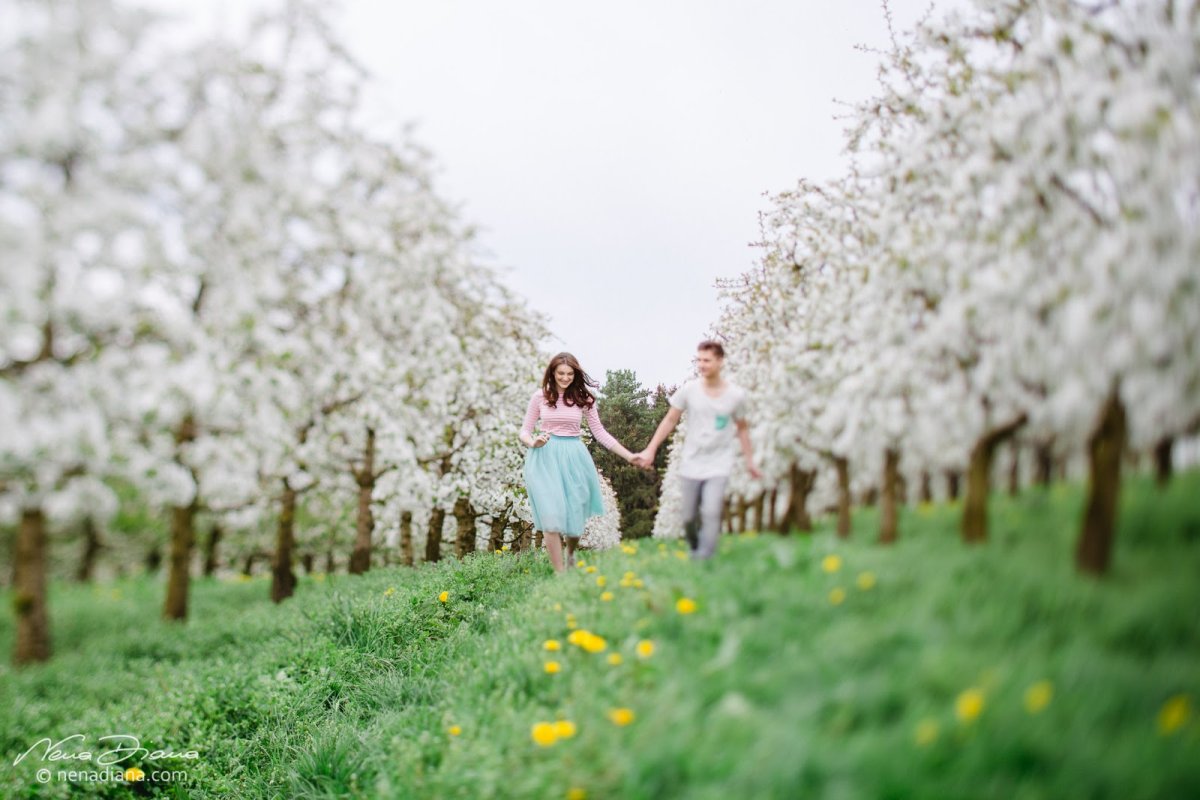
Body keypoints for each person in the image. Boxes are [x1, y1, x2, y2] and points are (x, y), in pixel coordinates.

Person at [633, 340, 761, 559]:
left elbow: (742, 429)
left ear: (720, 361)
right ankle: (695, 547)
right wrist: (651, 449)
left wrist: (750, 461)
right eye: (699, 360)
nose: (701, 364)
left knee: (711, 512)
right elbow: (670, 420)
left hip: (719, 462)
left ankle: (704, 559)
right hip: (692, 461)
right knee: (689, 517)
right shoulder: (689, 391)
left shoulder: (735, 396)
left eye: (707, 360)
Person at [520, 352, 640, 573]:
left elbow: (600, 433)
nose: (565, 378)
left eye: (569, 374)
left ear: (575, 375)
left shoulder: (585, 399)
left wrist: (629, 455)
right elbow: (525, 430)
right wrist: (533, 442)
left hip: (574, 456)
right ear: (552, 373)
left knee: (575, 516)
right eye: (561, 373)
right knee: (550, 517)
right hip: (545, 456)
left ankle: (571, 554)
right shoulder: (540, 397)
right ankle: (561, 574)